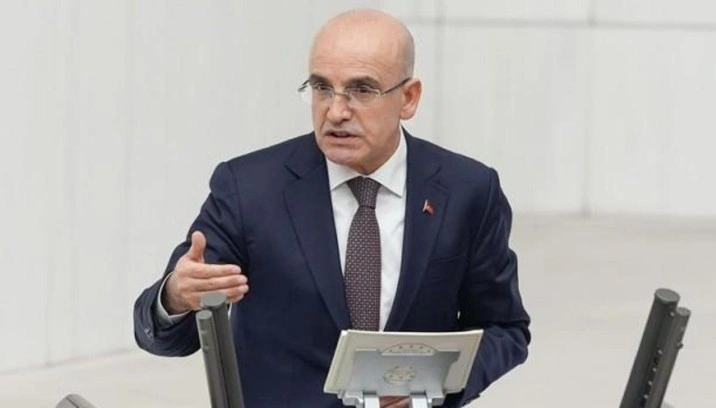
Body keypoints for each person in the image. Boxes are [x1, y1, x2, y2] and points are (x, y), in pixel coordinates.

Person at [133, 8, 530, 408]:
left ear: (408, 98)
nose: (336, 111)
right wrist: (176, 297)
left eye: (362, 90)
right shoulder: (249, 189)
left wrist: (431, 390)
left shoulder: (467, 190)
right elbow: (164, 333)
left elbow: (504, 328)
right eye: (322, 88)